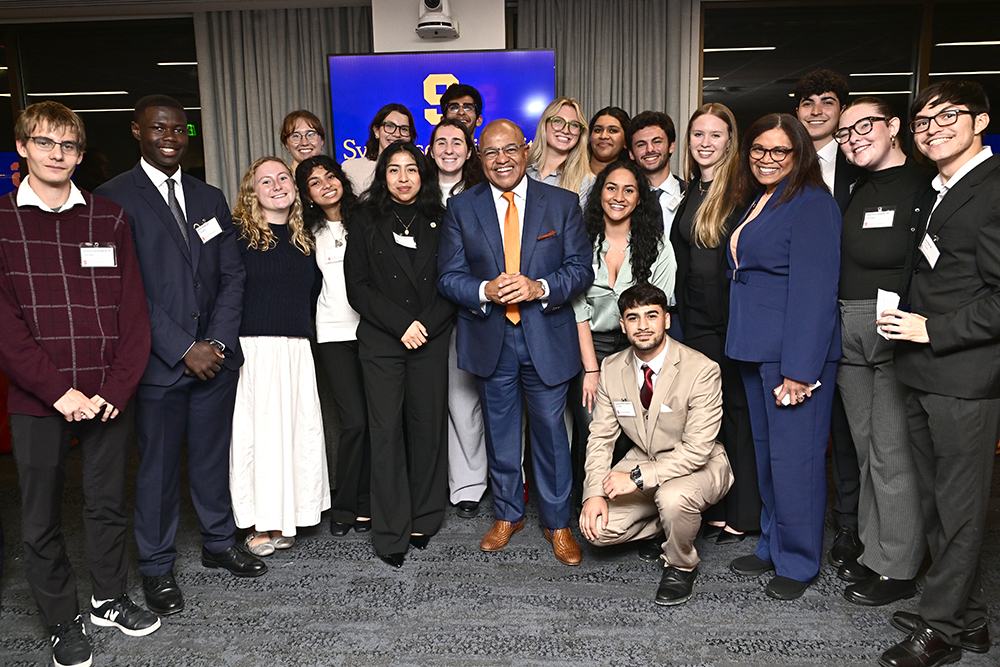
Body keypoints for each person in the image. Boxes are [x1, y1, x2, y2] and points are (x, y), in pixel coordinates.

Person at [96, 95, 266, 619]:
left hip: (214, 360)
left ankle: (218, 543)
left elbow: (232, 276)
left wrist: (214, 345)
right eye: (158, 128)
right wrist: (180, 347)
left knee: (213, 459)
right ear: (137, 132)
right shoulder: (111, 198)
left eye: (179, 128)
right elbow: (123, 290)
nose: (170, 136)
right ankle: (156, 566)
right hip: (158, 365)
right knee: (158, 470)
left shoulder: (209, 197)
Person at [2, 101, 157, 667]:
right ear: (23, 147)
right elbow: (5, 326)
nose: (57, 155)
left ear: (80, 155)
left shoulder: (108, 218)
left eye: (68, 147)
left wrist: (115, 389)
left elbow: (133, 314)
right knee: (40, 515)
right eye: (45, 143)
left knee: (106, 504)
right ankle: (62, 619)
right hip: (37, 396)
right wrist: (56, 391)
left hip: (107, 394)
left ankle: (108, 598)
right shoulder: (1, 222)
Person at [876, 80, 998, 667]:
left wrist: (933, 330)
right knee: (938, 504)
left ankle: (942, 628)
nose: (932, 128)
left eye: (947, 116)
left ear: (981, 120)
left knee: (962, 507)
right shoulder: (940, 189)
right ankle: (969, 620)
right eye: (923, 121)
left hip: (963, 374)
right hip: (921, 371)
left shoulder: (994, 189)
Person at [437, 119, 594, 566]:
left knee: (550, 436)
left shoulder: (561, 203)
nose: (501, 159)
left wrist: (540, 286)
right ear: (477, 156)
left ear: (526, 151)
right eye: (490, 152)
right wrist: (484, 290)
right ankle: (508, 515)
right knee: (501, 436)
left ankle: (558, 522)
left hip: (545, 337)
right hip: (491, 338)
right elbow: (448, 276)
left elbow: (581, 268)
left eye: (509, 150)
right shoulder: (461, 207)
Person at [725, 113, 841, 601]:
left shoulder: (813, 203)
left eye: (779, 152)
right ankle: (773, 544)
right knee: (771, 458)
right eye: (758, 149)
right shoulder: (763, 197)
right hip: (757, 347)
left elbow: (815, 292)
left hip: (792, 356)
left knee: (796, 460)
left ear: (800, 155)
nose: (766, 159)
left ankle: (798, 560)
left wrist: (799, 370)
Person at [832, 97, 934, 608]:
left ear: (894, 127)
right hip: (847, 323)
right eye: (845, 133)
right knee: (866, 447)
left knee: (894, 453)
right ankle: (877, 550)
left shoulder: (924, 185)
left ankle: (899, 566)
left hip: (893, 326)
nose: (853, 139)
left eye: (864, 127)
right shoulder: (852, 187)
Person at [580, 284, 733, 606]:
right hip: (642, 458)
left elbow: (697, 450)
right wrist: (593, 493)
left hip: (698, 465)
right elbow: (601, 438)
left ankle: (680, 563)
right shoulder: (611, 368)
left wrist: (635, 478)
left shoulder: (701, 370)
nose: (643, 325)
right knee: (598, 530)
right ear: (622, 325)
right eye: (633, 318)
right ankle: (671, 525)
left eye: (652, 315)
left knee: (673, 496)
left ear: (667, 319)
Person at [344, 142, 454, 568]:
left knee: (427, 428)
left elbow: (454, 279)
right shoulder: (365, 218)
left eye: (412, 169)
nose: (403, 178)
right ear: (383, 176)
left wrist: (424, 325)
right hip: (382, 339)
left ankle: (425, 516)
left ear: (423, 175)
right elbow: (358, 286)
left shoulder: (444, 220)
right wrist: (401, 325)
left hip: (431, 334)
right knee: (386, 430)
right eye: (394, 170)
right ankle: (390, 529)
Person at [229, 157, 330, 556]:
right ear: (252, 190)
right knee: (259, 439)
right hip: (254, 350)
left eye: (283, 178)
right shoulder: (237, 236)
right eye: (265, 181)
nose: (276, 186)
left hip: (297, 348)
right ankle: (259, 522)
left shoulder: (306, 236)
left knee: (295, 435)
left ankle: (290, 515)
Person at [670, 103, 759, 543]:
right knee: (708, 418)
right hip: (696, 322)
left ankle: (743, 514)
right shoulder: (693, 190)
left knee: (738, 414)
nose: (705, 143)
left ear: (730, 141)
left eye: (715, 135)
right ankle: (717, 506)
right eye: (698, 135)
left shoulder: (741, 193)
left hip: (730, 323)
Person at [570, 159, 675, 505]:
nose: (619, 196)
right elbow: (578, 310)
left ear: (640, 198)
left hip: (639, 347)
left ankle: (630, 506)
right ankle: (587, 502)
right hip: (591, 346)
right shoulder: (580, 242)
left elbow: (659, 311)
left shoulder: (657, 246)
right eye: (611, 187)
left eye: (629, 190)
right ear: (599, 192)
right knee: (592, 428)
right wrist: (591, 369)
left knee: (639, 429)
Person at [794, 69, 865, 568]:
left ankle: (851, 526)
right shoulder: (784, 167)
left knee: (852, 431)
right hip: (804, 315)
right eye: (808, 102)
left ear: (841, 110)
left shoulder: (863, 167)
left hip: (856, 315)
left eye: (828, 102)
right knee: (808, 430)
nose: (817, 110)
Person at [296, 155, 372, 537]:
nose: (326, 184)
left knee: (377, 420)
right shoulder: (306, 233)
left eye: (330, 176)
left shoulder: (368, 219)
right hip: (333, 335)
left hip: (374, 332)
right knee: (353, 421)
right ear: (307, 195)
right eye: (314, 182)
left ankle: (369, 502)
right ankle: (347, 503)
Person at [428, 120, 488, 518]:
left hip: (470, 309)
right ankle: (431, 484)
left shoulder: (484, 195)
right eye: (441, 142)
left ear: (470, 152)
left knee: (464, 401)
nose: (449, 149)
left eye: (458, 142)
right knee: (426, 405)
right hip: (421, 315)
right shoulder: (413, 187)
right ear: (429, 149)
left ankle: (469, 484)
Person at [526, 97, 595, 205]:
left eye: (574, 125)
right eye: (558, 121)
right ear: (544, 125)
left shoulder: (586, 181)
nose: (565, 130)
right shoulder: (523, 169)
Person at [628, 111, 685, 238]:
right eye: (641, 144)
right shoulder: (624, 198)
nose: (650, 149)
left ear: (671, 146)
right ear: (631, 153)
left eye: (657, 142)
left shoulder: (690, 195)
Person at [341, 104, 417, 194]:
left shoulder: (421, 170)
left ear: (410, 136)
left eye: (404, 129)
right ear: (376, 131)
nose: (397, 134)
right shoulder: (351, 168)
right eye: (390, 126)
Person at [588, 106, 631, 176]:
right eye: (598, 130)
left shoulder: (633, 178)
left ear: (625, 141)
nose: (603, 136)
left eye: (613, 131)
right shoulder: (570, 169)